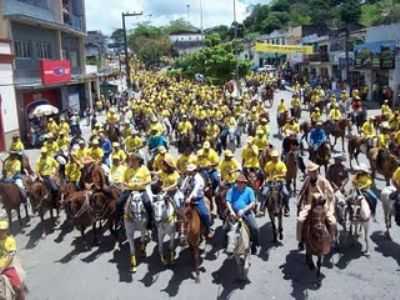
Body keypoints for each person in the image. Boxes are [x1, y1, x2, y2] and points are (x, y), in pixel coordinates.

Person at [297, 162, 336, 250]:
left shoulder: (323, 180)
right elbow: (302, 191)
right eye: (312, 171)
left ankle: (332, 239)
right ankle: (300, 240)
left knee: (332, 222)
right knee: (300, 220)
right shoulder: (307, 180)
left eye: (315, 171)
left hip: (322, 206)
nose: (314, 173)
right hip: (309, 205)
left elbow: (330, 193)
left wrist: (324, 198)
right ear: (309, 173)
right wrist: (299, 201)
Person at [117, 153, 153, 228]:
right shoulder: (127, 169)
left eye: (134, 160)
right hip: (130, 190)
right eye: (131, 160)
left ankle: (150, 221)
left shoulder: (144, 168)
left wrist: (141, 183)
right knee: (119, 202)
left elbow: (149, 180)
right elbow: (122, 180)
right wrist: (127, 185)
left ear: (138, 160)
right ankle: (120, 219)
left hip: (141, 190)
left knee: (148, 203)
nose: (132, 161)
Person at [226, 174, 259, 254]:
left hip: (246, 213)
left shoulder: (249, 190)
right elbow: (228, 201)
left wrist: (244, 210)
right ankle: (227, 245)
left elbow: (252, 202)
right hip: (234, 213)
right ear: (236, 182)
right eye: (239, 182)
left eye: (242, 182)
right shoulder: (231, 190)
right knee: (225, 229)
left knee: (255, 228)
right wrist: (231, 211)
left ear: (245, 183)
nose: (240, 184)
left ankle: (255, 243)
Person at [181, 164, 214, 239]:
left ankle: (208, 230)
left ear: (194, 171)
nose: (188, 172)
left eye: (190, 171)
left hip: (197, 199)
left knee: (204, 214)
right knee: (180, 214)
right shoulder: (188, 177)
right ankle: (182, 230)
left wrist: (189, 198)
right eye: (188, 171)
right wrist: (182, 193)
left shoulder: (198, 179)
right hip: (187, 199)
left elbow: (195, 190)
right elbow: (183, 187)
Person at [0, 218, 25, 300]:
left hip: (7, 267)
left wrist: (2, 268)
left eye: (3, 230)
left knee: (18, 288)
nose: (1, 232)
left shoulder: (10, 240)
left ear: (6, 230)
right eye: (0, 230)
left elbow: (11, 256)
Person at [262, 149, 290, 216]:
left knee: (286, 193)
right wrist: (265, 179)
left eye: (276, 157)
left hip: (280, 182)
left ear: (278, 157)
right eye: (273, 157)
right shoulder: (268, 164)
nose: (274, 158)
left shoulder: (281, 164)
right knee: (264, 193)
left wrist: (277, 176)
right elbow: (265, 173)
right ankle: (262, 209)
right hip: (270, 182)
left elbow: (284, 174)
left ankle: (286, 208)